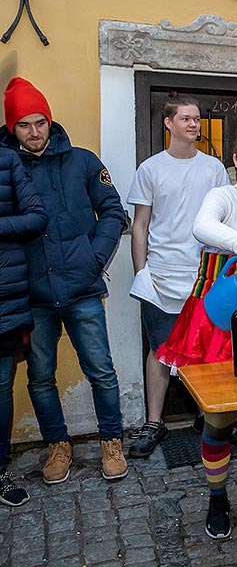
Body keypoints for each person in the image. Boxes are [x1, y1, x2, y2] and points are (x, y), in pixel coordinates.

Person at [156, 126, 237, 542]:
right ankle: (218, 497)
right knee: (218, 419)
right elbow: (202, 227)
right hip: (217, 321)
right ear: (235, 161)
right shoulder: (222, 196)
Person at [0, 77, 128, 484]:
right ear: (11, 128)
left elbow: (113, 210)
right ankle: (57, 445)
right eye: (25, 125)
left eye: (40, 122)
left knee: (101, 371)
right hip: (30, 294)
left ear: (50, 121)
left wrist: (94, 257)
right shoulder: (7, 167)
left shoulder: (83, 161)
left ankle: (111, 440)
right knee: (40, 376)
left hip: (82, 286)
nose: (35, 132)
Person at [126, 93, 228, 458]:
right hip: (161, 274)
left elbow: (223, 221)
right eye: (185, 118)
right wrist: (142, 273)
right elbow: (140, 226)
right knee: (160, 349)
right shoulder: (150, 169)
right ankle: (156, 422)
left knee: (206, 347)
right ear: (168, 123)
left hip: (204, 274)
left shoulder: (213, 168)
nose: (193, 124)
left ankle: (208, 415)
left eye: (196, 119)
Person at [0, 147, 47, 506]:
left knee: (2, 389)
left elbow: (36, 217)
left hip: (5, 295)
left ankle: (0, 473)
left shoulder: (6, 160)